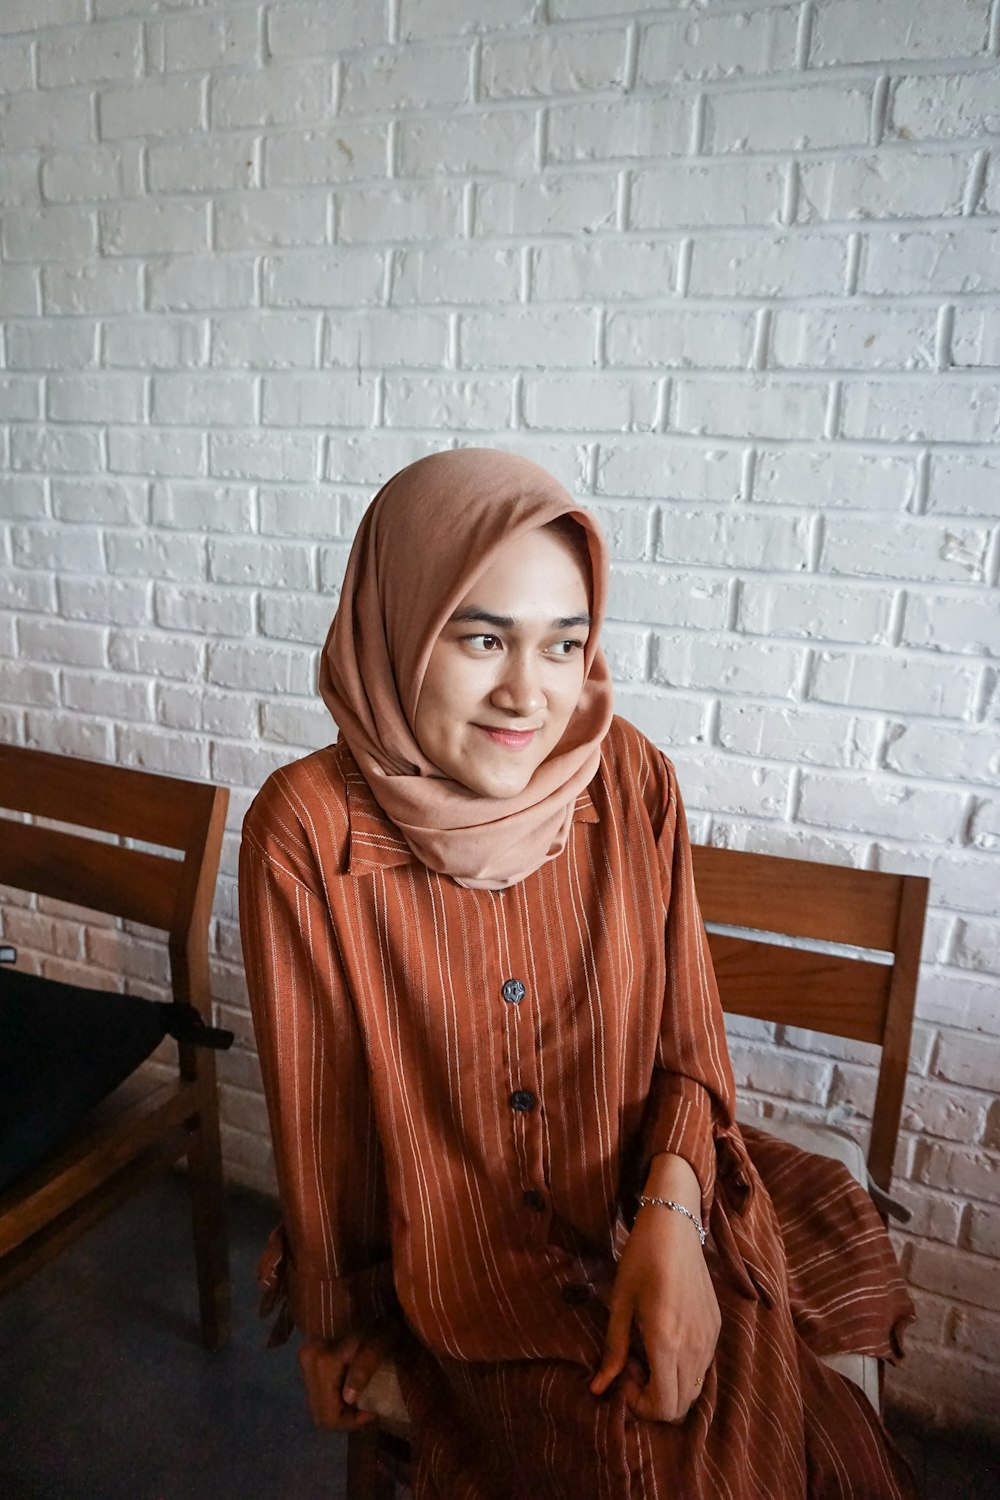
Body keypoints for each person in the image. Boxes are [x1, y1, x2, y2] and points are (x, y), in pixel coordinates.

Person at [239, 448, 917, 1500]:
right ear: (396, 623)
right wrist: (335, 1326)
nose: (528, 693)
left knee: (784, 1334)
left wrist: (672, 1223)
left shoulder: (631, 776)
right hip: (459, 1265)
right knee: (662, 1468)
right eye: (479, 637)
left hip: (640, 1184)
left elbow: (689, 1046)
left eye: (564, 643)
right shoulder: (307, 829)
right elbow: (326, 1131)